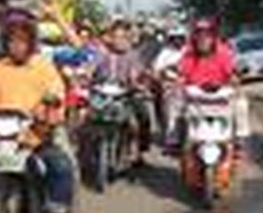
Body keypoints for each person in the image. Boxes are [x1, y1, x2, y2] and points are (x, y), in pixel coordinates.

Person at [0, 9, 81, 213]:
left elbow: (56, 93)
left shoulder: (43, 66)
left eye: (22, 41)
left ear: (31, 42)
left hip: (35, 136)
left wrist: (50, 108)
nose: (17, 46)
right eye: (12, 40)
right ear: (4, 42)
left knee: (62, 166)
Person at [164, 17, 250, 150]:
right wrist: (177, 81)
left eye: (207, 35)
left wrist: (235, 79)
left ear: (213, 37)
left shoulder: (223, 53)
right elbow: (180, 72)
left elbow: (232, 72)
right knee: (172, 97)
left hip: (219, 96)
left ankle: (241, 136)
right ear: (195, 37)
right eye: (200, 35)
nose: (203, 39)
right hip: (195, 97)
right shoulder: (189, 54)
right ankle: (173, 138)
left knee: (241, 101)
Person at [92, 18, 153, 163]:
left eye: (123, 37)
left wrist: (140, 84)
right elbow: (91, 66)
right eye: (116, 37)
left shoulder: (133, 56)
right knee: (86, 119)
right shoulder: (102, 53)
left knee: (142, 117)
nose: (119, 41)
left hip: (127, 95)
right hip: (102, 94)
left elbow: (138, 73)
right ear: (110, 38)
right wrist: (83, 74)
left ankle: (140, 152)